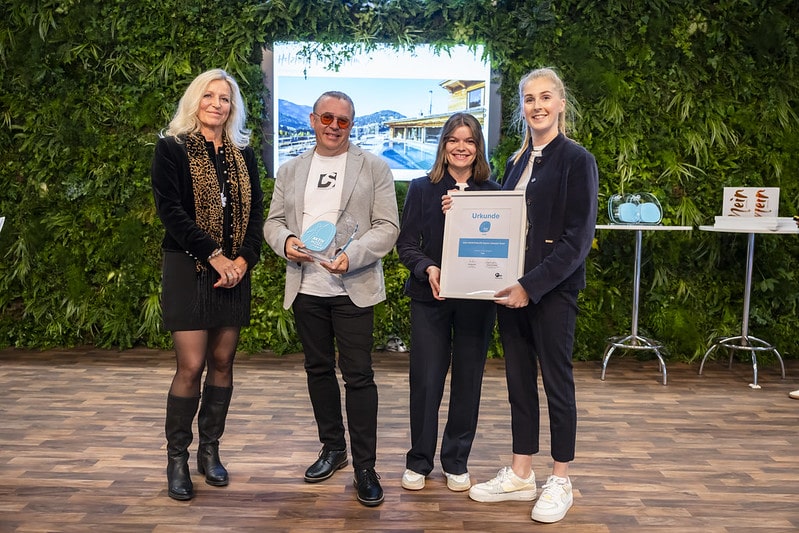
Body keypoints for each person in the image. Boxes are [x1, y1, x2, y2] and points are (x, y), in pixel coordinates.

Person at [466, 67, 598, 523]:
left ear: (561, 103)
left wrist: (531, 285)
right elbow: (504, 223)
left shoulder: (577, 160)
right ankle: (522, 473)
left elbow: (577, 241)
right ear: (521, 107)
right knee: (519, 382)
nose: (536, 106)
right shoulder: (517, 161)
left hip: (551, 292)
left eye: (545, 97)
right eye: (529, 99)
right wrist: (460, 206)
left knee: (557, 383)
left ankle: (560, 478)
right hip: (511, 289)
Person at [263, 90, 399, 507]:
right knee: (318, 371)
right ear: (313, 120)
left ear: (351, 125)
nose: (334, 127)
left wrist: (352, 255)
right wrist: (287, 242)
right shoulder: (290, 169)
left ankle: (365, 467)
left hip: (353, 287)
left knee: (358, 377)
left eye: (343, 121)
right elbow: (273, 222)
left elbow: (388, 226)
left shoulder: (374, 166)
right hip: (306, 287)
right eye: (327, 118)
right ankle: (334, 448)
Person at [151, 69, 264, 501]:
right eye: (209, 96)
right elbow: (171, 211)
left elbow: (256, 213)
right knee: (191, 365)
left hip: (234, 272)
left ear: (233, 107)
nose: (217, 104)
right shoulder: (172, 148)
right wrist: (214, 255)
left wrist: (243, 259)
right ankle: (177, 458)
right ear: (195, 101)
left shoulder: (243, 153)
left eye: (225, 98)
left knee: (222, 361)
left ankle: (209, 451)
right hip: (189, 267)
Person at [396, 112, 499, 493]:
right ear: (443, 145)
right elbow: (406, 244)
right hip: (430, 297)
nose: (461, 147)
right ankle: (419, 461)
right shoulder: (422, 189)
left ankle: (456, 461)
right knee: (426, 380)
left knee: (468, 380)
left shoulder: (495, 193)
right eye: (454, 140)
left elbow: (503, 245)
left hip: (477, 300)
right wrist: (428, 268)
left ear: (478, 147)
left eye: (469, 141)